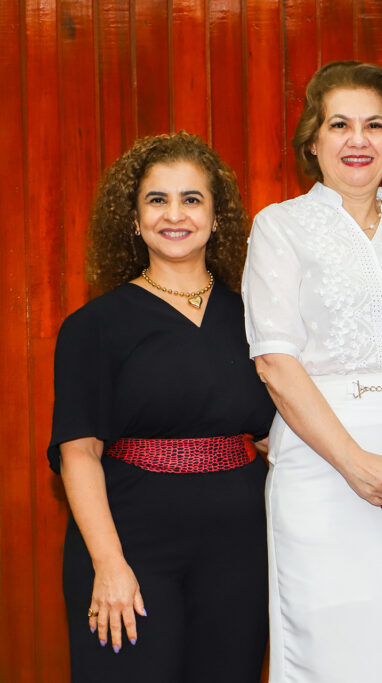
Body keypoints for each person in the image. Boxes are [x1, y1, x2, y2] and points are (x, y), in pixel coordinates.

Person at [241, 60, 382, 683]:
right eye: (338, 124)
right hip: (324, 473)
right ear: (312, 141)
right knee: (333, 652)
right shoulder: (280, 226)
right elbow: (274, 361)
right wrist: (353, 462)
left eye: (374, 125)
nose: (357, 139)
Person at [48, 132, 276, 682]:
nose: (175, 215)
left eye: (192, 199)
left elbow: (279, 439)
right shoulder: (93, 326)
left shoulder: (259, 321)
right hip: (130, 543)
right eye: (157, 200)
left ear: (218, 217)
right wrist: (109, 565)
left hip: (239, 546)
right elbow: (78, 452)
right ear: (133, 219)